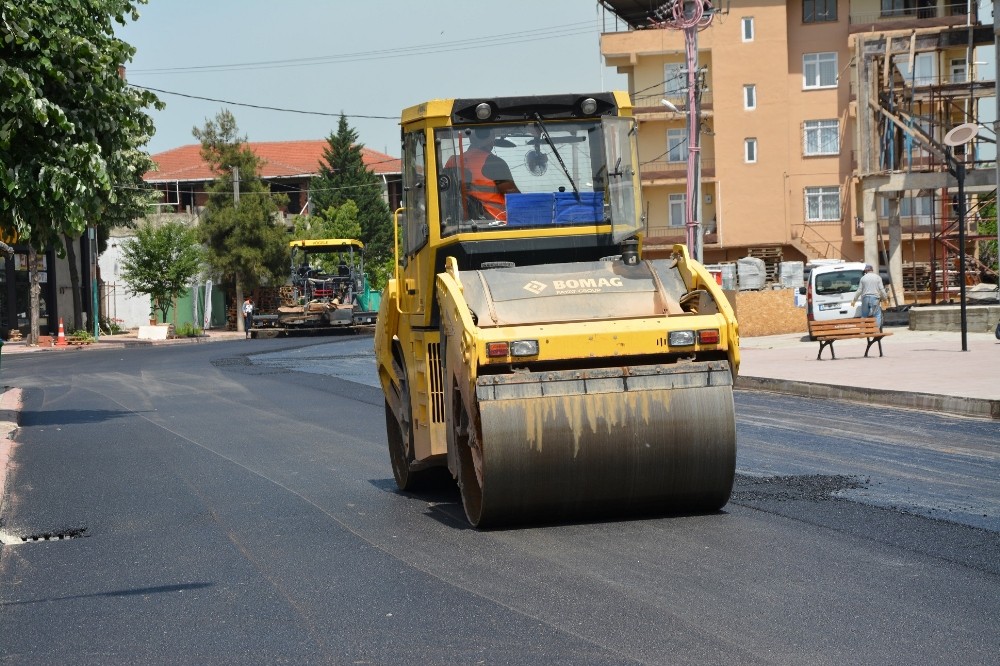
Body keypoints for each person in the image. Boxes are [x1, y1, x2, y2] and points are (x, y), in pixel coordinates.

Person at [446, 128, 519, 222]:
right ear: (491, 138)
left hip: (460, 224)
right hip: (494, 225)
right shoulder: (494, 163)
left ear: (470, 138)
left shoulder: (453, 161)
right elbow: (514, 198)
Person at [850, 264, 888, 330]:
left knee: (864, 315)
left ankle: (862, 330)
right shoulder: (878, 277)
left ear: (866, 271)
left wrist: (854, 300)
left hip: (865, 298)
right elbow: (882, 290)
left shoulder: (863, 278)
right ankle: (876, 330)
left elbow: (859, 290)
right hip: (875, 298)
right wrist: (885, 299)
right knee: (877, 315)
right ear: (872, 270)